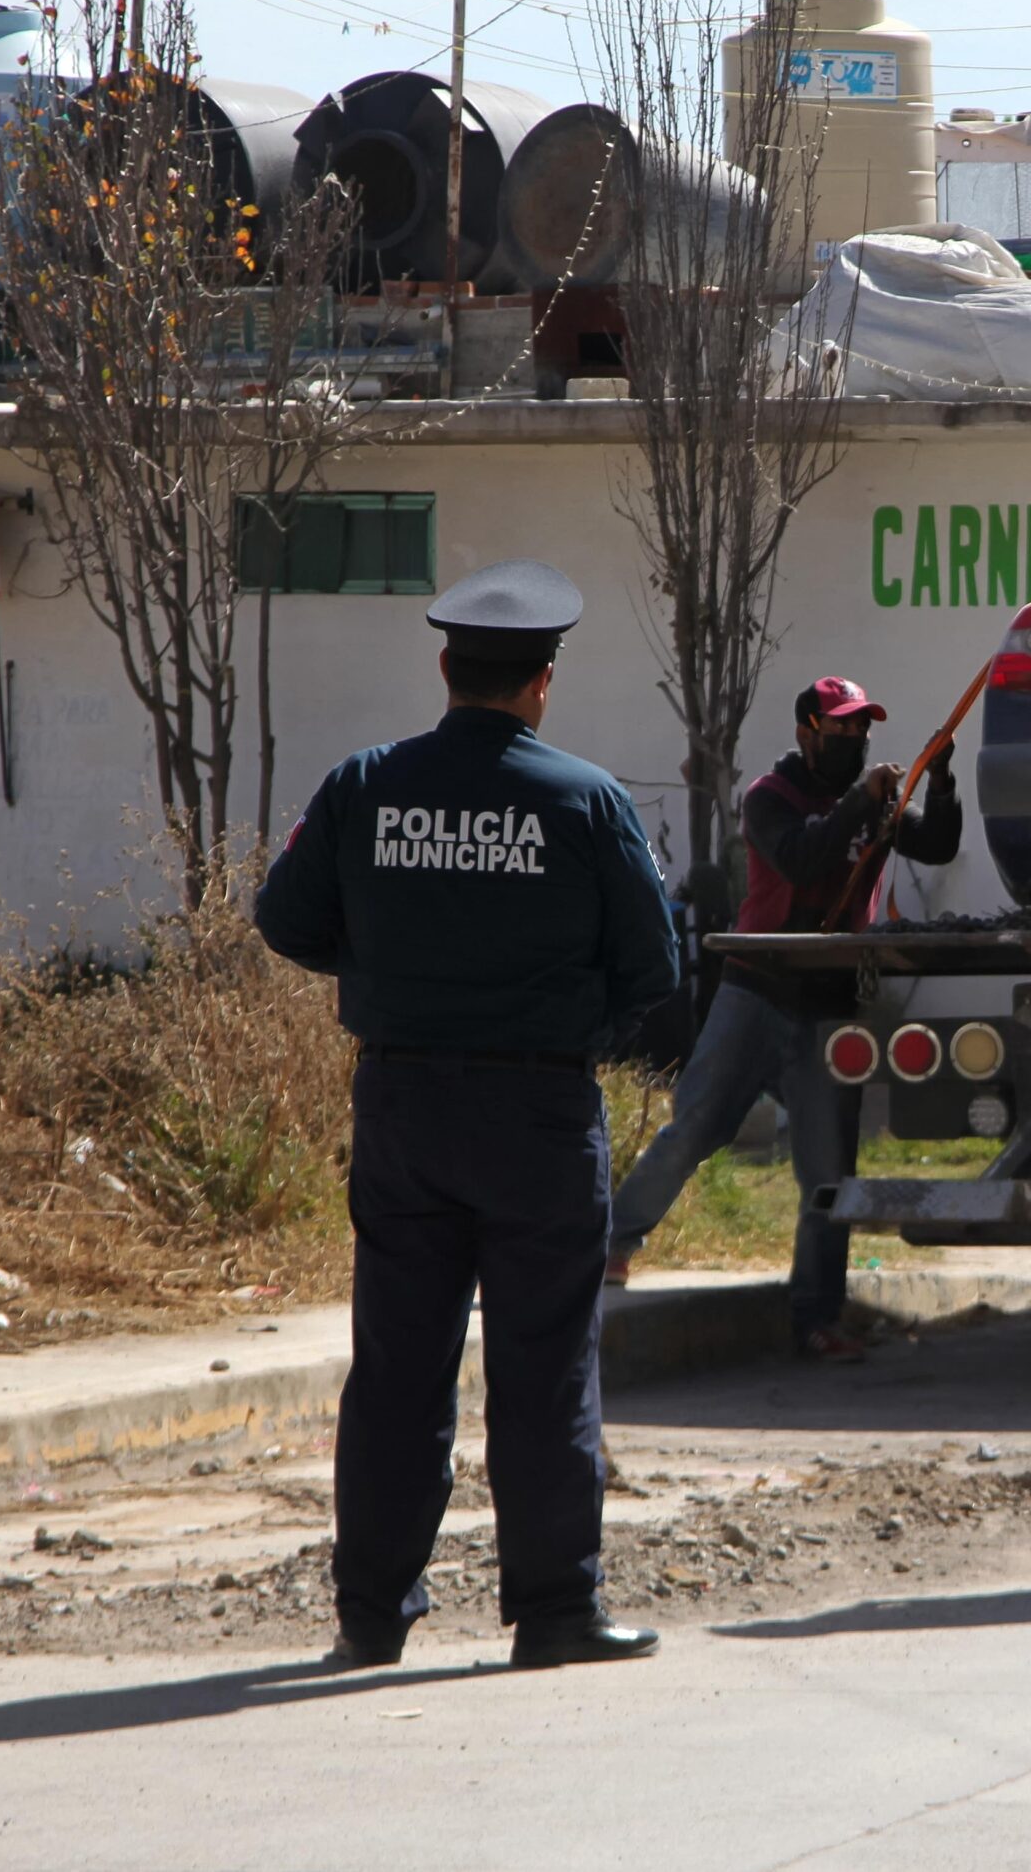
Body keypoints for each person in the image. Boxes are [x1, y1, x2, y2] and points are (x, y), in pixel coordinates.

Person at [254, 559, 679, 1670]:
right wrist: (560, 1008)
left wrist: (397, 969)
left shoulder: (363, 785)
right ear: (543, 682)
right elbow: (652, 966)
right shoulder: (584, 798)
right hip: (538, 1110)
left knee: (397, 1364)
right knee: (543, 1365)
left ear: (448, 669)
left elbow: (286, 921)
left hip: (401, 1101)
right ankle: (553, 1612)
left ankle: (370, 1614)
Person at [602, 675, 962, 1359]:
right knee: (694, 1131)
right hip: (755, 995)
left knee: (827, 1177)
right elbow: (801, 858)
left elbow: (937, 845)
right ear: (806, 731)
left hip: (829, 1007)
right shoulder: (771, 798)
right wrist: (863, 801)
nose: (853, 740)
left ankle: (816, 1317)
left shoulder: (872, 807)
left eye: (862, 730)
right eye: (841, 729)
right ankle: (614, 1243)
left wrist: (938, 784)